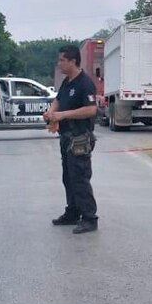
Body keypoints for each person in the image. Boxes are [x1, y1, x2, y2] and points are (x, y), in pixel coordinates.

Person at [44, 45, 100, 234]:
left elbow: (92, 109)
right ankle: (72, 212)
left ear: (72, 61)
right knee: (68, 177)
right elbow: (58, 99)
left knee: (80, 178)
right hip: (66, 138)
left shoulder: (85, 83)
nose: (58, 64)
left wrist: (63, 115)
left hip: (80, 138)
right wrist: (52, 112)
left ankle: (90, 218)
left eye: (62, 60)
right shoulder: (67, 82)